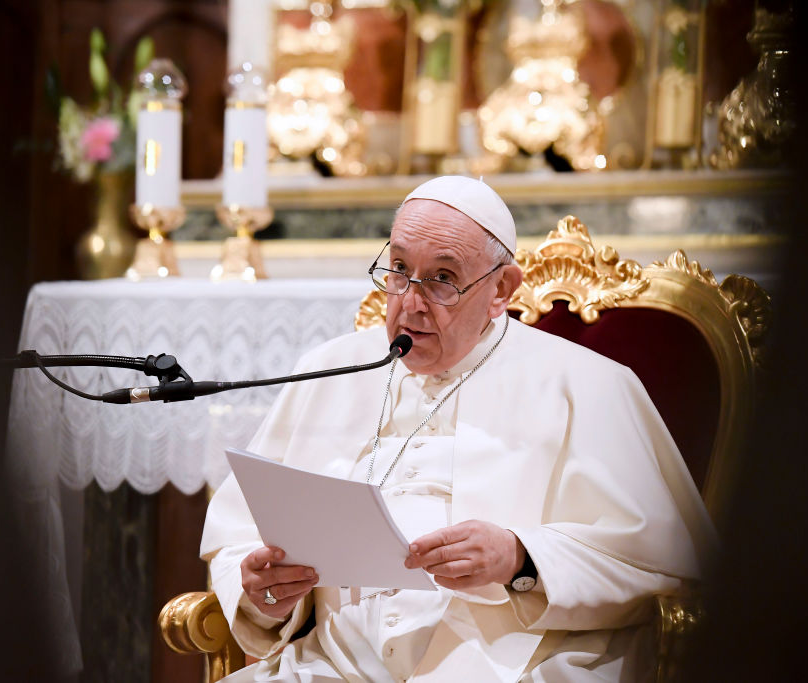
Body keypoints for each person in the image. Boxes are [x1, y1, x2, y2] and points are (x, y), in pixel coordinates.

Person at [201, 176, 716, 682]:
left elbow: (666, 567)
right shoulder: (331, 369)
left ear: (501, 290)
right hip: (329, 668)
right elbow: (238, 537)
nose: (410, 302)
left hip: (515, 671)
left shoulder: (589, 385)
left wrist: (521, 558)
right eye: (399, 269)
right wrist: (264, 593)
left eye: (443, 278)